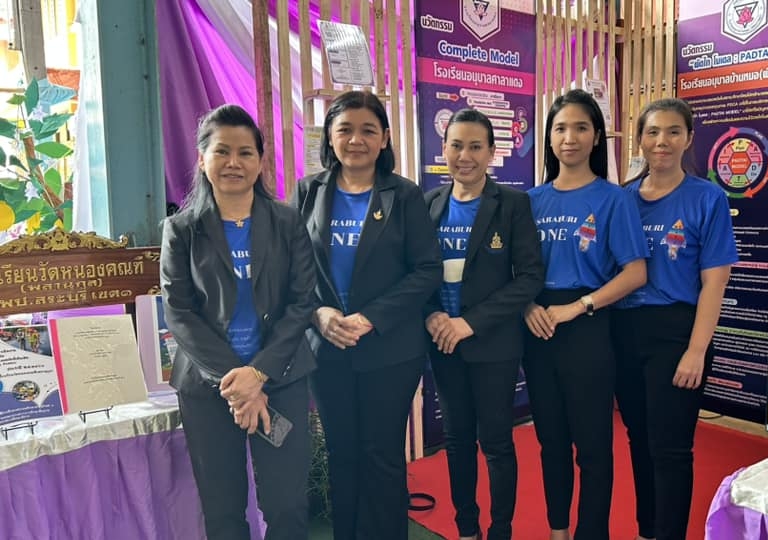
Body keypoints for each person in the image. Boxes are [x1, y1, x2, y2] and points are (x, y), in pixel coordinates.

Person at [160, 104, 318, 540]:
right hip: (209, 389)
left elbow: (301, 301)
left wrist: (259, 373)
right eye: (222, 151)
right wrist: (238, 381)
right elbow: (179, 312)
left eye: (245, 152)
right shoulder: (181, 229)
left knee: (287, 506)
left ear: (260, 160)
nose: (234, 162)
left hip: (281, 380)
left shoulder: (287, 222)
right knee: (223, 510)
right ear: (201, 159)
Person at [291, 90, 442, 540]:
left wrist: (371, 317)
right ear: (329, 137)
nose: (356, 140)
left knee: (382, 454)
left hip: (390, 349)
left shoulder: (405, 195)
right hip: (327, 346)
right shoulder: (307, 192)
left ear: (385, 138)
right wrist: (318, 314)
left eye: (367, 130)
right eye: (345, 130)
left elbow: (427, 270)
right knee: (343, 452)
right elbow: (290, 270)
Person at [523, 89, 648, 540]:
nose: (569, 138)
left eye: (580, 128)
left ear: (596, 136)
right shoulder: (530, 200)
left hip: (589, 327)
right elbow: (513, 271)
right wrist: (528, 306)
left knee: (593, 447)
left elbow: (635, 272)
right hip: (538, 328)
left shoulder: (614, 199)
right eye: (560, 128)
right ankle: (558, 532)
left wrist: (578, 307)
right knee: (550, 442)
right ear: (549, 138)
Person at [612, 97, 738, 540]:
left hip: (677, 333)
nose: (661, 141)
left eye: (672, 132)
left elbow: (715, 282)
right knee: (639, 441)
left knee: (670, 448)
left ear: (688, 139)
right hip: (623, 331)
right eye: (652, 132)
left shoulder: (707, 197)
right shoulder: (622, 198)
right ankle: (647, 530)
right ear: (639, 140)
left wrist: (697, 350)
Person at [423, 109, 545, 540]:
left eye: (476, 146)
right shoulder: (429, 203)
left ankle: (500, 531)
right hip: (443, 344)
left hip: (493, 346)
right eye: (456, 145)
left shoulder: (512, 204)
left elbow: (529, 277)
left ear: (492, 152)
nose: (465, 156)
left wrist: (469, 323)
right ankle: (467, 528)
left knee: (495, 443)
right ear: (443, 149)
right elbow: (416, 273)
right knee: (456, 441)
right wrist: (432, 314)